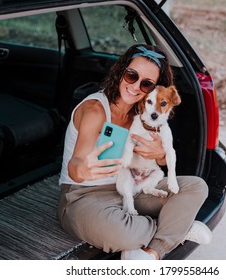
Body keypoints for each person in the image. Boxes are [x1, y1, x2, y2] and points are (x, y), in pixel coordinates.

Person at [57, 44, 212, 260]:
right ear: (121, 72)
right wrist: (83, 168)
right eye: (132, 75)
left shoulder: (142, 118)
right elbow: (77, 165)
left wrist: (159, 155)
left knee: (196, 187)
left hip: (131, 188)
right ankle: (176, 229)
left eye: (147, 83)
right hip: (83, 196)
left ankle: (153, 249)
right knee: (121, 233)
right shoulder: (95, 109)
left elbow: (157, 157)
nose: (136, 86)